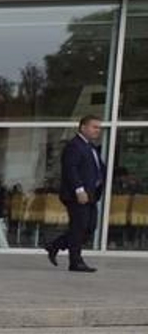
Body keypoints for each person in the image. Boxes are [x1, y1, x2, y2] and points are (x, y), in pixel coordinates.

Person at [44, 114, 106, 273]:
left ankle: (55, 245)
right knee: (79, 227)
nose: (97, 130)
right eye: (94, 127)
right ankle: (76, 262)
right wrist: (79, 190)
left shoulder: (91, 147)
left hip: (91, 195)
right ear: (83, 127)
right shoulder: (74, 146)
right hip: (77, 195)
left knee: (89, 227)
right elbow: (70, 170)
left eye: (99, 128)